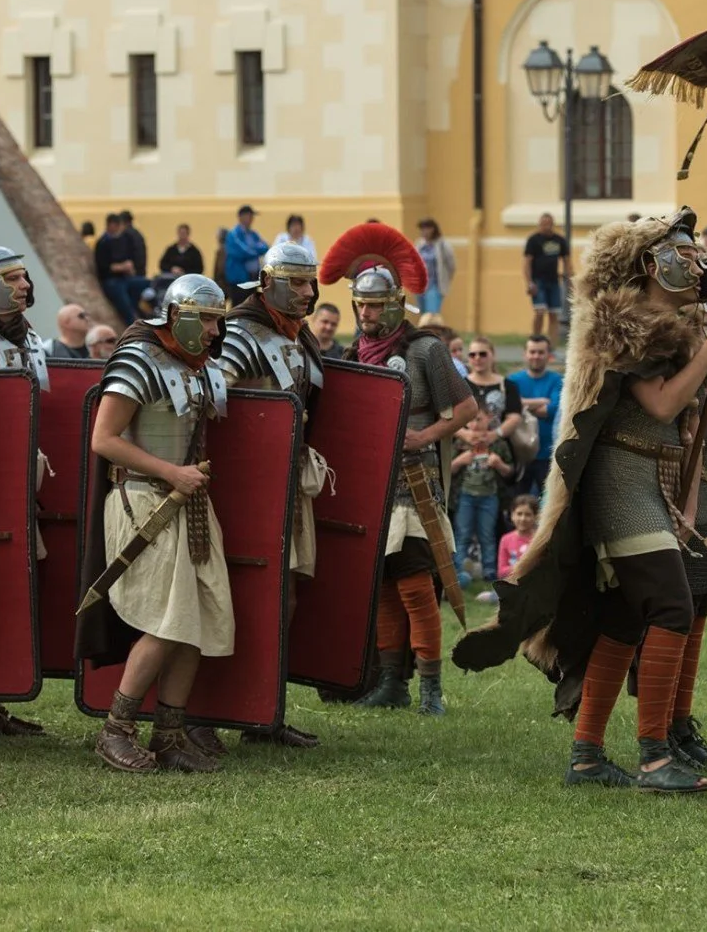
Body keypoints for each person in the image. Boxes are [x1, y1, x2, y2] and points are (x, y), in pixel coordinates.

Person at [453, 210, 707, 794]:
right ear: (647, 264)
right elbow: (664, 404)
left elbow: (695, 415)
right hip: (619, 477)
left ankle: (587, 757)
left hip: (655, 475)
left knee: (622, 615)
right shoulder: (620, 322)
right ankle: (653, 757)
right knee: (670, 604)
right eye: (679, 255)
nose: (693, 265)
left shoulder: (683, 326)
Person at [79, 275, 236, 772]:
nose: (215, 331)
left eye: (218, 320)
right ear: (181, 317)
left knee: (200, 619)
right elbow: (103, 439)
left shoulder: (201, 368)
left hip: (187, 502)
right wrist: (171, 472)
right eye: (207, 320)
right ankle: (116, 730)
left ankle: (170, 734)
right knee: (169, 621)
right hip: (143, 500)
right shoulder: (137, 360)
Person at [323, 224, 475, 719]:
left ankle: (431, 687)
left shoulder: (425, 350)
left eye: (374, 306)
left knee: (414, 584)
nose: (366, 315)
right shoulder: (349, 355)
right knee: (384, 585)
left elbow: (467, 408)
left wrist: (424, 437)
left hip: (414, 485)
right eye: (360, 307)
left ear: (394, 304)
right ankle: (392, 682)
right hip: (373, 490)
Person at [215, 241, 329, 749]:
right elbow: (213, 404)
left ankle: (265, 713)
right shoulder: (240, 334)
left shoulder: (297, 336)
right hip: (251, 489)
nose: (308, 293)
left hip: (291, 481)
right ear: (268, 285)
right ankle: (205, 711)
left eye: (311, 282)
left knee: (286, 597)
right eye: (297, 283)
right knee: (239, 596)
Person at [449, 411, 511, 591]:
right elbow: (446, 470)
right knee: (462, 534)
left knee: (487, 535)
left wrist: (499, 464)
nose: (474, 424)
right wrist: (459, 461)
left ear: (488, 420)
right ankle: (459, 572)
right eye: (470, 419)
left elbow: (510, 472)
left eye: (479, 419)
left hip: (490, 497)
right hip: (465, 496)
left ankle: (490, 572)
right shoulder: (460, 444)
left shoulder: (497, 444)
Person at [510, 334, 563, 498]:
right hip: (519, 453)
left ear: (549, 355)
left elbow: (552, 409)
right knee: (516, 504)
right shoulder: (513, 380)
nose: (536, 356)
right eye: (532, 352)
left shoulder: (558, 381)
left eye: (541, 352)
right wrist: (541, 400)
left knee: (547, 503)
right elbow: (511, 405)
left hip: (547, 454)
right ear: (525, 354)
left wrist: (523, 404)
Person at [522, 212, 570, 345]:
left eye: (548, 224)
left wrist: (569, 277)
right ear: (539, 225)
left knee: (554, 314)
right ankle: (535, 339)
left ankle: (551, 345)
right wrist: (529, 282)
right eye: (543, 224)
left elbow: (566, 260)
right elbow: (527, 262)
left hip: (554, 281)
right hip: (538, 281)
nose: (546, 227)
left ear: (552, 224)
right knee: (539, 311)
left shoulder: (559, 240)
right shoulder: (533, 240)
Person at [492, 493, 537, 597]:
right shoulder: (505, 539)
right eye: (519, 514)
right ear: (512, 515)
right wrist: (523, 566)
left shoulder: (538, 540)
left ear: (535, 517)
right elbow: (501, 571)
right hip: (511, 585)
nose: (523, 518)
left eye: (528, 514)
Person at [224, 207, 270, 303]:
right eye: (249, 215)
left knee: (251, 304)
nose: (252, 218)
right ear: (241, 217)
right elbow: (242, 252)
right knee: (239, 305)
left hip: (252, 279)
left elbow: (265, 246)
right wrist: (256, 250)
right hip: (239, 279)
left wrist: (253, 249)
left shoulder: (253, 234)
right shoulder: (233, 234)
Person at [413, 218, 455, 319]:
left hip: (435, 284)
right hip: (421, 285)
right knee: (423, 314)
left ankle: (433, 332)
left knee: (432, 314)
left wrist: (446, 279)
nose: (423, 232)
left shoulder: (442, 244)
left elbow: (451, 265)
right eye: (422, 229)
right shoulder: (419, 244)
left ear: (432, 229)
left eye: (426, 229)